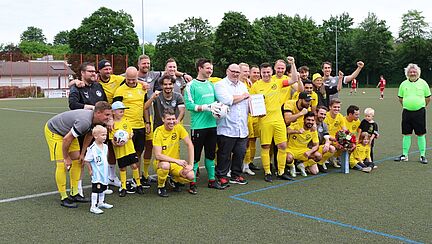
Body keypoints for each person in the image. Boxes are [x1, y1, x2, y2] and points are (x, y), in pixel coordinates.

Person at [44, 101, 112, 208]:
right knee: (62, 164)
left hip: (68, 133)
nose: (109, 117)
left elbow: (90, 134)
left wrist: (82, 153)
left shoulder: (97, 120)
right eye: (107, 114)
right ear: (98, 113)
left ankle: (74, 193)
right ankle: (63, 197)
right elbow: (67, 139)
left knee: (78, 161)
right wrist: (66, 157)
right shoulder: (84, 121)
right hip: (55, 131)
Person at [137, 55, 192, 185]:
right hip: (158, 128)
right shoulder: (157, 92)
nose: (168, 86)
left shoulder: (178, 94)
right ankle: (147, 174)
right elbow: (144, 107)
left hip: (173, 126)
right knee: (153, 149)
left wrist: (177, 121)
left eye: (170, 84)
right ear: (161, 85)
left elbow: (183, 110)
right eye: (165, 84)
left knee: (174, 149)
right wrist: (148, 122)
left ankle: (172, 175)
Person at [250, 58, 298, 182]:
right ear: (261, 73)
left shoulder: (279, 82)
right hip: (264, 120)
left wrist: (292, 64)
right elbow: (251, 103)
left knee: (282, 145)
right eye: (263, 72)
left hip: (278, 119)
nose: (266, 74)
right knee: (266, 146)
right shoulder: (256, 86)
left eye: (268, 72)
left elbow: (294, 79)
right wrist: (255, 113)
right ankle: (267, 172)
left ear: (272, 72)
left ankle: (281, 171)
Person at [184, 58, 226, 194]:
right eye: (207, 68)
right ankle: (192, 183)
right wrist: (207, 107)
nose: (210, 71)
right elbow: (189, 105)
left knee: (210, 155)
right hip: (198, 127)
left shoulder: (211, 85)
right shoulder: (191, 85)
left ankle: (212, 181)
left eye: (211, 69)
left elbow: (215, 103)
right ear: (200, 68)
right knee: (195, 156)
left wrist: (220, 110)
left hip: (212, 125)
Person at [68, 62, 110, 197]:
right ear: (82, 73)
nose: (93, 73)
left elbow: (105, 104)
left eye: (94, 71)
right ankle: (77, 188)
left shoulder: (98, 86)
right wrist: (91, 108)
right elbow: (73, 105)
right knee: (81, 158)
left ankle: (100, 184)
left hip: (98, 129)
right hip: (83, 127)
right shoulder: (76, 87)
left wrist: (109, 119)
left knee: (100, 156)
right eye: (90, 71)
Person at [215, 64, 250, 186]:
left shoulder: (242, 85)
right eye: (233, 71)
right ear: (227, 71)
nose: (235, 74)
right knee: (224, 153)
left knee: (240, 153)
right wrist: (243, 97)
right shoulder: (220, 85)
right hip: (227, 127)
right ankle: (222, 175)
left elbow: (247, 102)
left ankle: (236, 174)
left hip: (242, 127)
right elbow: (227, 100)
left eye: (237, 72)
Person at [113, 67, 148, 188]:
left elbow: (145, 106)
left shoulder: (142, 88)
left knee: (139, 152)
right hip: (126, 128)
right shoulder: (120, 90)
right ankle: (124, 180)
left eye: (134, 79)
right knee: (126, 154)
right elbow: (115, 109)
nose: (132, 82)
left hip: (140, 126)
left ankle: (135, 179)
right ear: (125, 77)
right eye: (129, 79)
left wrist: (147, 122)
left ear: (137, 77)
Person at [153, 108, 195, 197]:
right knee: (165, 165)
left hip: (175, 163)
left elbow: (190, 144)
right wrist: (176, 161)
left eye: (173, 119)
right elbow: (158, 155)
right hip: (161, 162)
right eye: (169, 119)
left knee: (191, 175)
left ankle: (174, 179)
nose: (172, 122)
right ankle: (161, 186)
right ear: (163, 119)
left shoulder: (178, 127)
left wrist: (191, 165)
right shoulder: (158, 131)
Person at [395, 63, 430, 164]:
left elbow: (428, 98)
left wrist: (421, 105)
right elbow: (400, 98)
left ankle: (422, 156)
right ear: (407, 73)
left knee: (421, 134)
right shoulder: (403, 84)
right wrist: (408, 105)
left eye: (414, 71)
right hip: (407, 112)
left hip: (419, 112)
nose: (412, 73)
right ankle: (404, 155)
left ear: (418, 73)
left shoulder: (423, 83)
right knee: (406, 134)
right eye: (410, 72)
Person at [110, 101, 144, 197]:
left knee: (134, 166)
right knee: (122, 168)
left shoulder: (126, 122)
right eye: (120, 110)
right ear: (113, 112)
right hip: (120, 151)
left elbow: (130, 133)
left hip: (130, 149)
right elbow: (111, 139)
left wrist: (130, 135)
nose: (122, 112)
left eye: (123, 110)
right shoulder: (112, 125)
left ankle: (138, 184)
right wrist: (116, 142)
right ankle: (123, 187)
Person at [83, 125, 113, 214]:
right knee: (96, 189)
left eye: (105, 135)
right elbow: (87, 160)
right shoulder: (92, 149)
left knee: (103, 188)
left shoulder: (105, 147)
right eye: (103, 135)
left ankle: (101, 202)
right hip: (97, 174)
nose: (105, 137)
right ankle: (93, 206)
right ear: (96, 136)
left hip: (104, 172)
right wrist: (90, 170)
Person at [286, 112, 322, 177]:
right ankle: (292, 167)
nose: (310, 122)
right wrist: (297, 132)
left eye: (312, 120)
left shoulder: (313, 130)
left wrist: (310, 151)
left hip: (303, 151)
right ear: (304, 120)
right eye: (308, 120)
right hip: (291, 150)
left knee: (318, 157)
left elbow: (316, 145)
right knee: (288, 158)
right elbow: (287, 130)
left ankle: (303, 165)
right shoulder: (297, 125)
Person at [243, 64, 261, 174]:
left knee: (253, 141)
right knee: (247, 141)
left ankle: (250, 162)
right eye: (254, 72)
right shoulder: (244, 83)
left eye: (258, 73)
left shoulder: (261, 84)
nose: (256, 74)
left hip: (257, 117)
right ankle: (243, 162)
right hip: (247, 117)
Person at [323, 99, 347, 168]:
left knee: (345, 144)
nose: (337, 109)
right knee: (330, 145)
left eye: (338, 107)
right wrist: (334, 138)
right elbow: (324, 133)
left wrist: (347, 138)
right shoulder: (325, 116)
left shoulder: (340, 116)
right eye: (335, 107)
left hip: (335, 138)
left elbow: (344, 129)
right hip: (325, 138)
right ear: (330, 107)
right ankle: (323, 160)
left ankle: (334, 158)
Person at [315, 106, 336, 173]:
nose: (323, 116)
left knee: (331, 148)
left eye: (324, 114)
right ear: (316, 113)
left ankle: (320, 163)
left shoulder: (323, 124)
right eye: (321, 114)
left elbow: (326, 135)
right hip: (309, 148)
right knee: (314, 171)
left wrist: (327, 143)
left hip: (318, 147)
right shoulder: (311, 122)